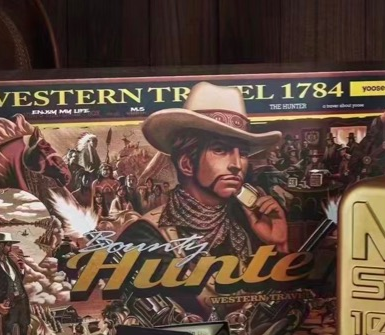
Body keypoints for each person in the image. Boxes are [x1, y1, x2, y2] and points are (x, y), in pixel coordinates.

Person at [114, 81, 287, 314]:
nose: (237, 165)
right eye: (220, 150)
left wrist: (278, 244)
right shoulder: (144, 236)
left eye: (243, 153)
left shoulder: (250, 223)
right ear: (187, 163)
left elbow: (279, 308)